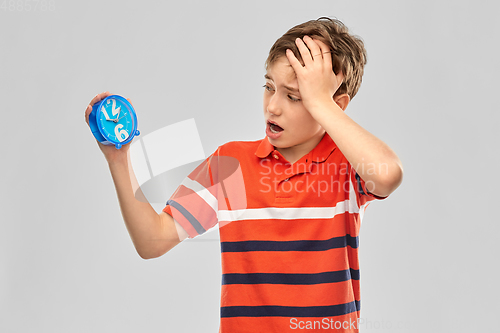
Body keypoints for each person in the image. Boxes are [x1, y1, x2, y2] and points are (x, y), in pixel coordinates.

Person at [84, 17, 403, 333]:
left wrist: (320, 100)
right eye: (269, 87)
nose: (273, 107)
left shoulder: (346, 168)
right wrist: (118, 158)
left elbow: (388, 174)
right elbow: (151, 240)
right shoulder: (230, 165)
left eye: (294, 96)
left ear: (335, 105)